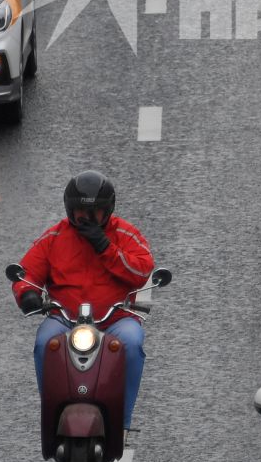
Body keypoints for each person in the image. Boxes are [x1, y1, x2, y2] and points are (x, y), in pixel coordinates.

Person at [11, 171, 156, 430]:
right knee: (45, 343)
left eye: (96, 213)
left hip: (116, 318)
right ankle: (51, 414)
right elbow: (27, 273)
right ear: (70, 210)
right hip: (64, 319)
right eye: (80, 213)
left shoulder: (126, 234)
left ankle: (122, 423)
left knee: (132, 344)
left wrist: (105, 248)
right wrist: (27, 293)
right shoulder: (54, 237)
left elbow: (142, 270)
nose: (88, 219)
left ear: (108, 211)